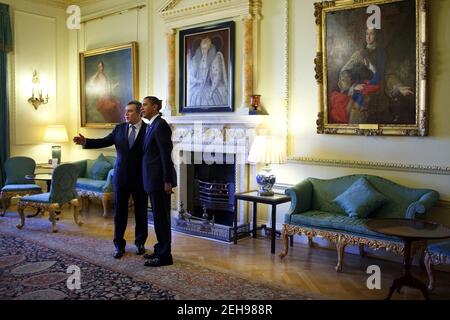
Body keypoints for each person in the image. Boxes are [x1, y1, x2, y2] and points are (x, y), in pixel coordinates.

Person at [73, 101, 148, 259]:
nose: (125, 114)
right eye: (125, 111)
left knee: (141, 212)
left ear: (139, 112)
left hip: (141, 178)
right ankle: (118, 245)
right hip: (120, 177)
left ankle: (140, 243)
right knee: (119, 213)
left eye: (130, 111)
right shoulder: (119, 128)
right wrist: (86, 141)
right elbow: (103, 141)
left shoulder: (148, 129)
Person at [329, 27, 414, 124]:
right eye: (366, 34)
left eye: (371, 34)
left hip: (380, 98)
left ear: (377, 35)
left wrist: (398, 87)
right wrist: (353, 87)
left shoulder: (383, 54)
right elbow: (344, 71)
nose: (368, 37)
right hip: (361, 98)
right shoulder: (359, 54)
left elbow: (388, 75)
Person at [141, 96, 177, 267]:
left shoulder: (161, 125)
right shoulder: (151, 125)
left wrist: (167, 181)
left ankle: (164, 256)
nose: (142, 108)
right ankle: (159, 248)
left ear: (155, 107)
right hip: (152, 180)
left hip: (160, 181)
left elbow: (165, 155)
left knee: (162, 219)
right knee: (157, 218)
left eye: (145, 105)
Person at [187, 37, 228, 107]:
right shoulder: (195, 59)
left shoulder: (216, 57)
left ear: (210, 48)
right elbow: (190, 76)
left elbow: (217, 77)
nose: (203, 51)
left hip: (211, 87)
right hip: (198, 87)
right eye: (202, 48)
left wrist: (211, 92)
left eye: (205, 49)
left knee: (209, 100)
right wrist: (198, 81)